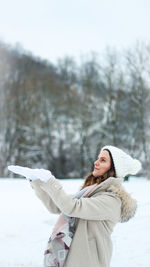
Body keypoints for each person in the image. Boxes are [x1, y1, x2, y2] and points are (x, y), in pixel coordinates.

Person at [8, 145, 142, 267]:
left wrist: (50, 181)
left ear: (113, 169)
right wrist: (36, 181)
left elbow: (71, 207)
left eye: (103, 160)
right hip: (72, 258)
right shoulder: (90, 192)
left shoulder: (111, 200)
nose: (96, 162)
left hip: (90, 262)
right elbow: (56, 206)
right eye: (97, 158)